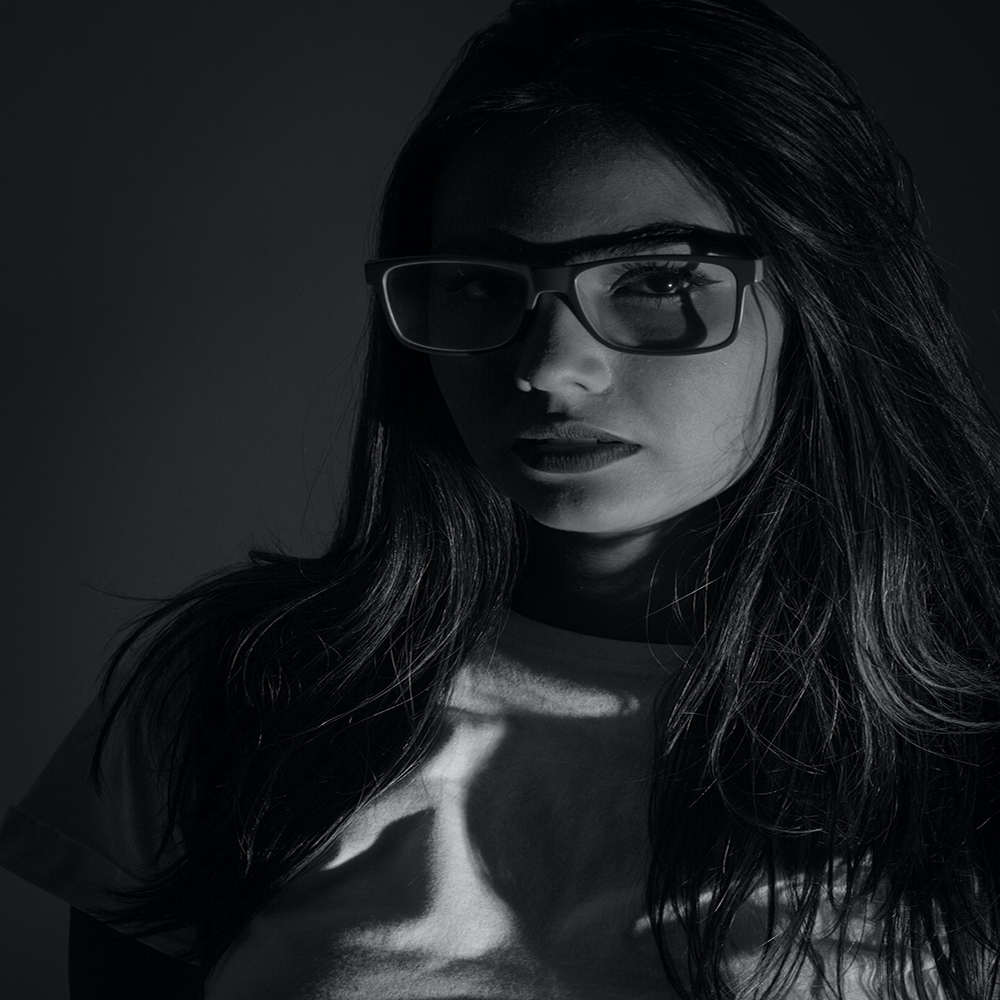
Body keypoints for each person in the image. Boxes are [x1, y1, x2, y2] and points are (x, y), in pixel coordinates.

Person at [3, 0, 999, 996]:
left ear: (822, 301)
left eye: (656, 281)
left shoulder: (963, 740)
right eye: (483, 285)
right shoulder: (233, 701)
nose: (550, 366)